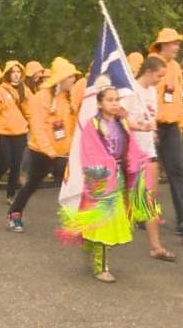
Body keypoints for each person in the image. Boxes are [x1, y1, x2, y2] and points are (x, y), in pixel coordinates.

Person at [58, 77, 149, 282]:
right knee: (103, 224)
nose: (115, 103)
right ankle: (101, 267)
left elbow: (130, 145)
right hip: (101, 180)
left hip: (119, 178)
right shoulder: (94, 125)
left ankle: (91, 248)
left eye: (117, 99)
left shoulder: (121, 122)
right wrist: (108, 168)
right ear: (99, 103)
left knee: (106, 222)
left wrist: (136, 159)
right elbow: (90, 152)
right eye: (110, 100)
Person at [7, 57, 79, 233]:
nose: (74, 80)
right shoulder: (41, 97)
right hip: (41, 152)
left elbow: (71, 126)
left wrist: (72, 148)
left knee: (73, 185)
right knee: (31, 185)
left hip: (63, 153)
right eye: (71, 77)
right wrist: (49, 150)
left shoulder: (68, 98)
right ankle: (14, 214)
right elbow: (37, 127)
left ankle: (75, 221)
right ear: (61, 78)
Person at [120, 56, 176, 261]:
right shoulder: (129, 91)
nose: (160, 80)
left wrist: (151, 131)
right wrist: (140, 127)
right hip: (129, 151)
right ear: (149, 71)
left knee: (151, 196)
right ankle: (96, 234)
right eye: (159, 75)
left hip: (148, 149)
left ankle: (155, 246)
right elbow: (120, 120)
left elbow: (151, 117)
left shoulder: (152, 91)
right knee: (119, 195)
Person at [149, 28, 183, 228]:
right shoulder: (150, 63)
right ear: (163, 44)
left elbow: (177, 98)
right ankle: (144, 215)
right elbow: (146, 96)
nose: (177, 47)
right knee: (149, 173)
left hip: (172, 126)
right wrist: (150, 126)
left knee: (177, 171)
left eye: (178, 43)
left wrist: (181, 124)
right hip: (153, 126)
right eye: (174, 43)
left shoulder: (176, 67)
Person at [0, 62, 30, 203]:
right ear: (8, 74)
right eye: (13, 72)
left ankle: (11, 195)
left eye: (18, 71)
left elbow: (31, 108)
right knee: (6, 162)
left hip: (21, 132)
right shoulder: (0, 90)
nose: (16, 74)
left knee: (16, 165)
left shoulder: (25, 89)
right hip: (3, 132)